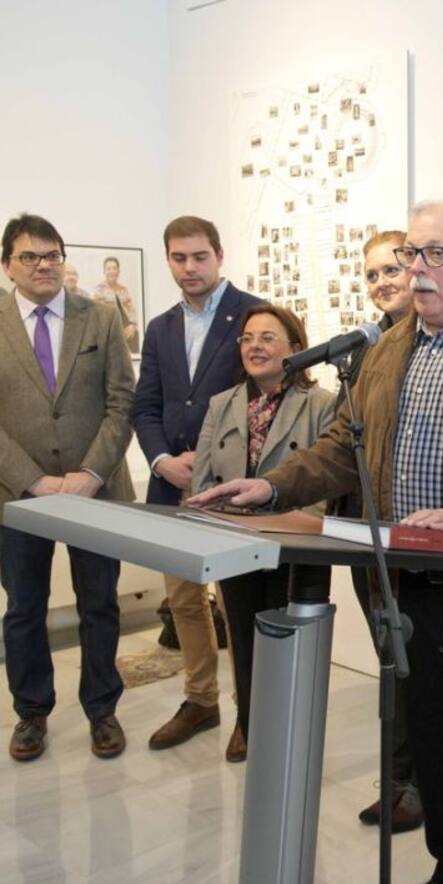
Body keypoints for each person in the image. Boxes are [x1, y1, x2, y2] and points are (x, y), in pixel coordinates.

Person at [190, 200, 443, 884]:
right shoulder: (386, 350)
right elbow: (344, 451)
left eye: (438, 254)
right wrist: (274, 485)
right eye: (413, 253)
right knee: (442, 757)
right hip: (408, 591)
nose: (419, 269)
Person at [0, 214, 135, 761]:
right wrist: (33, 479)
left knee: (99, 604)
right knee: (24, 607)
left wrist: (90, 475)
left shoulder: (100, 317)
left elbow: (122, 402)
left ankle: (103, 709)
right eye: (30, 256)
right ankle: (32, 712)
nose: (43, 265)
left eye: (52, 254)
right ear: (8, 265)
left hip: (95, 492)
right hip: (16, 496)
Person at [132, 215, 260, 757]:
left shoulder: (253, 314)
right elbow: (147, 405)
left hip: (229, 490)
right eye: (178, 258)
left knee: (237, 604)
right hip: (170, 488)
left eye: (198, 257)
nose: (189, 268)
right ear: (168, 260)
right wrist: (162, 460)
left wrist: (206, 466)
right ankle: (200, 700)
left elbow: (263, 401)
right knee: (184, 602)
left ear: (219, 254)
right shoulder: (160, 327)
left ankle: (249, 714)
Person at [191, 303, 336, 754]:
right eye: (248, 338)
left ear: (295, 347)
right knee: (246, 642)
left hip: (295, 548)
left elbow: (327, 481)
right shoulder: (222, 404)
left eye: (268, 338)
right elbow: (202, 476)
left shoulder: (323, 405)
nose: (255, 347)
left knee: (290, 649)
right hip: (235, 545)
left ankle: (288, 738)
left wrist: (289, 524)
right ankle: (250, 725)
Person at [332, 228, 425, 832]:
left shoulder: (434, 341)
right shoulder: (363, 352)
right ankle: (399, 782)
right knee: (390, 661)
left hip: (418, 535)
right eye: (371, 274)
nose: (382, 282)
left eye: (392, 268)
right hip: (364, 532)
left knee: (419, 665)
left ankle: (420, 786)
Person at [93, 256, 140, 354]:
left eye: (114, 268)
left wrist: (133, 325)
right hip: (109, 329)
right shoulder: (99, 290)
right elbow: (96, 314)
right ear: (104, 271)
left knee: (135, 334)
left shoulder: (123, 289)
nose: (112, 271)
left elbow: (131, 310)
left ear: (118, 271)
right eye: (109, 269)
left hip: (125, 328)